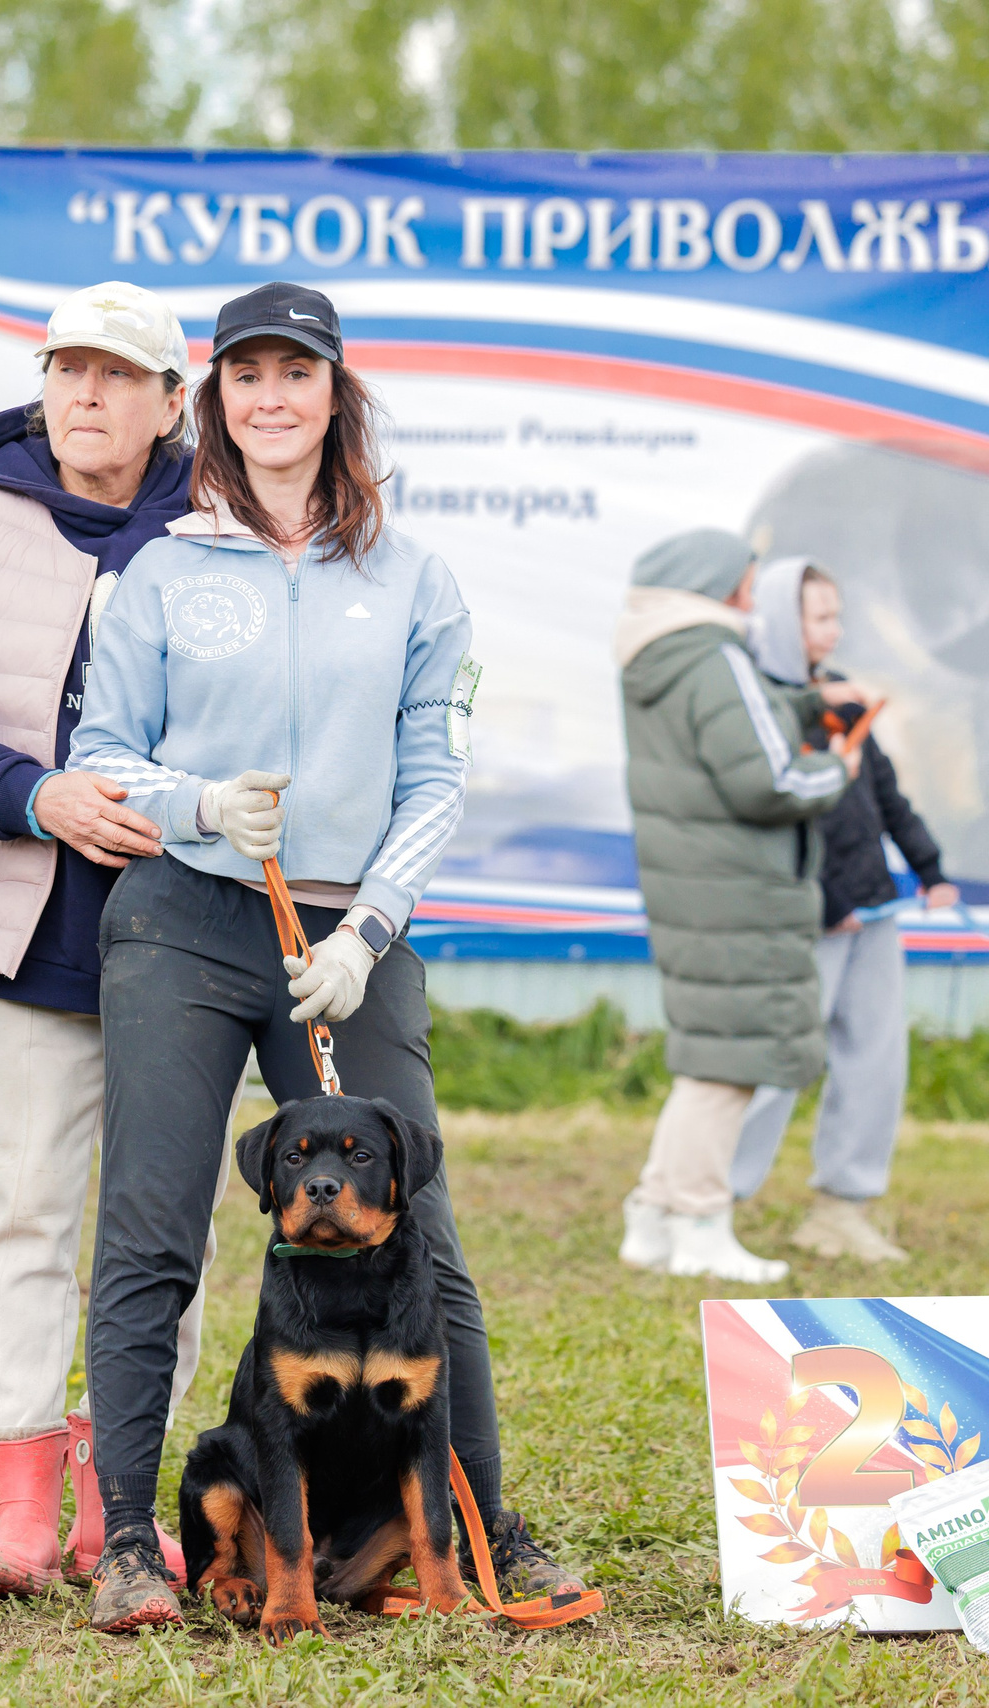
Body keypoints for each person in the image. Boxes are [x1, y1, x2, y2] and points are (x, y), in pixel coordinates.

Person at [65, 282, 583, 1630]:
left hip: (345, 936)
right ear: (218, 400)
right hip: (182, 916)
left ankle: (484, 1524)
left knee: (427, 1231)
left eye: (296, 373)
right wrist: (192, 805)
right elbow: (101, 755)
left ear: (336, 393)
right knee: (151, 1227)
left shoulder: (415, 577)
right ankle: (130, 1538)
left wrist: (369, 930)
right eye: (246, 376)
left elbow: (436, 777)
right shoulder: (160, 570)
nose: (271, 398)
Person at [0, 282, 222, 1598]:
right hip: (18, 938)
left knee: (162, 1233)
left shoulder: (228, 531)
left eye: (118, 374)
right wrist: (39, 797)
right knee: (17, 1211)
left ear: (169, 403)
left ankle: (116, 1504)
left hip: (184, 938)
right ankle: (21, 1514)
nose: (86, 394)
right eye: (68, 369)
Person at [613, 531, 852, 1283]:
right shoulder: (716, 655)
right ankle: (701, 1225)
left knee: (709, 1061)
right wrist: (836, 767)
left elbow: (737, 730)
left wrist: (807, 703)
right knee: (728, 1067)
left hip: (699, 886)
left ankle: (654, 1216)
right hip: (737, 886)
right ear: (717, 584)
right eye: (747, 579)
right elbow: (771, 781)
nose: (754, 593)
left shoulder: (664, 654)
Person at [728, 558, 955, 1263]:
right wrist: (824, 901)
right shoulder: (755, 703)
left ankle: (840, 1207)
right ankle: (710, 1201)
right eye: (820, 616)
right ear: (777, 620)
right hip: (806, 919)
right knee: (777, 1063)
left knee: (875, 1058)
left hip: (875, 913)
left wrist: (929, 870)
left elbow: (884, 795)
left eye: (836, 615)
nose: (835, 630)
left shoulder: (841, 696)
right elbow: (768, 818)